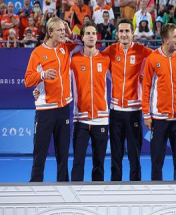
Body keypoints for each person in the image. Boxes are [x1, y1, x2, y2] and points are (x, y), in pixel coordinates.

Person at [25, 17, 75, 182]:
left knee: (63, 155)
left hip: (63, 109)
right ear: (50, 32)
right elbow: (28, 80)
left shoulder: (65, 48)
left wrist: (69, 32)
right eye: (59, 30)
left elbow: (82, 43)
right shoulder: (37, 53)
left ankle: (64, 188)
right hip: (45, 110)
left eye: (63, 30)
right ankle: (35, 186)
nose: (62, 33)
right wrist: (43, 75)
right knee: (40, 154)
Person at [103, 19, 152, 181]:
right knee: (115, 155)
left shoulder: (141, 50)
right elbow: (94, 59)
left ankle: (136, 187)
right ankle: (115, 187)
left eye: (127, 31)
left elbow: (160, 57)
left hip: (134, 111)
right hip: (115, 111)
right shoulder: (110, 50)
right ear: (117, 34)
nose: (124, 34)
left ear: (132, 33)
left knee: (134, 155)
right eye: (121, 31)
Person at [142, 23, 176, 181]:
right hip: (159, 118)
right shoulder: (152, 59)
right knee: (157, 161)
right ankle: (156, 191)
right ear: (165, 40)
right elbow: (146, 88)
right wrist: (146, 114)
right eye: (175, 37)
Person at [69, 22, 111, 181]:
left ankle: (98, 193)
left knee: (99, 163)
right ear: (82, 37)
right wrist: (39, 89)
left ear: (97, 36)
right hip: (81, 119)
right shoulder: (74, 59)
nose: (91, 36)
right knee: (78, 162)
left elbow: (120, 78)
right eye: (88, 33)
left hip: (101, 119)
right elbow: (59, 77)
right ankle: (75, 192)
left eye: (94, 33)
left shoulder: (105, 58)